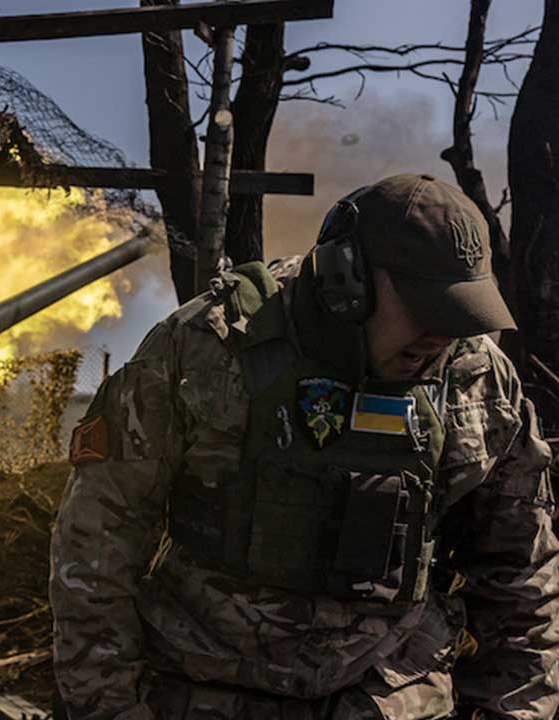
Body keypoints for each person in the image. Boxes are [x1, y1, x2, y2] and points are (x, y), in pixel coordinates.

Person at [51, 174, 559, 720]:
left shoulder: (478, 380)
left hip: (390, 694)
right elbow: (97, 541)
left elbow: (522, 573)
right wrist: (108, 706)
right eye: (424, 306)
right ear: (349, 276)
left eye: (460, 313)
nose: (441, 335)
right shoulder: (208, 348)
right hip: (205, 687)